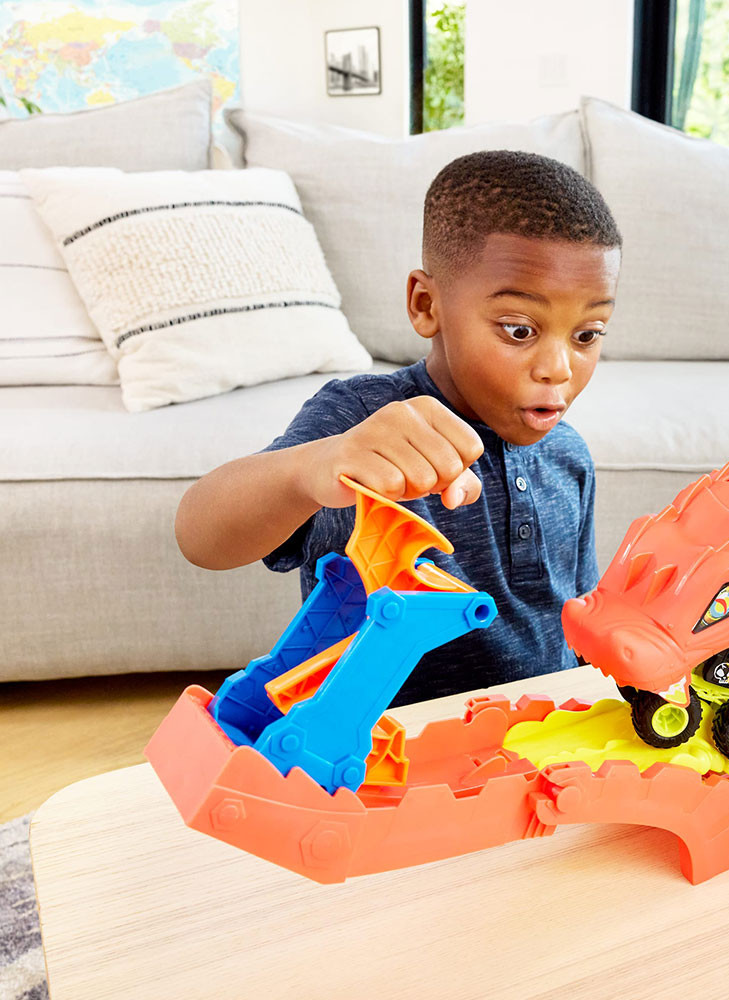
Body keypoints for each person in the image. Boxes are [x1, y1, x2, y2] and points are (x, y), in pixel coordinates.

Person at [175, 150, 622, 706]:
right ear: (426, 304)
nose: (559, 368)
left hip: (541, 736)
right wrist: (312, 467)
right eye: (518, 330)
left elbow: (579, 623)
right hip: (382, 741)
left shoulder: (569, 455)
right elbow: (200, 538)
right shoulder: (359, 424)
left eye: (587, 335)